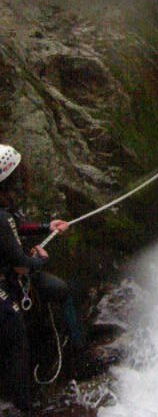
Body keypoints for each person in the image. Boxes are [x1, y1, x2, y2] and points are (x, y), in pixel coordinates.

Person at [0, 144, 82, 416]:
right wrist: (40, 260)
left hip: (11, 279)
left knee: (60, 292)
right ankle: (22, 405)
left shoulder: (5, 209)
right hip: (7, 284)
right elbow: (20, 263)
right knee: (16, 340)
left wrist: (48, 227)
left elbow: (17, 227)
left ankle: (78, 353)